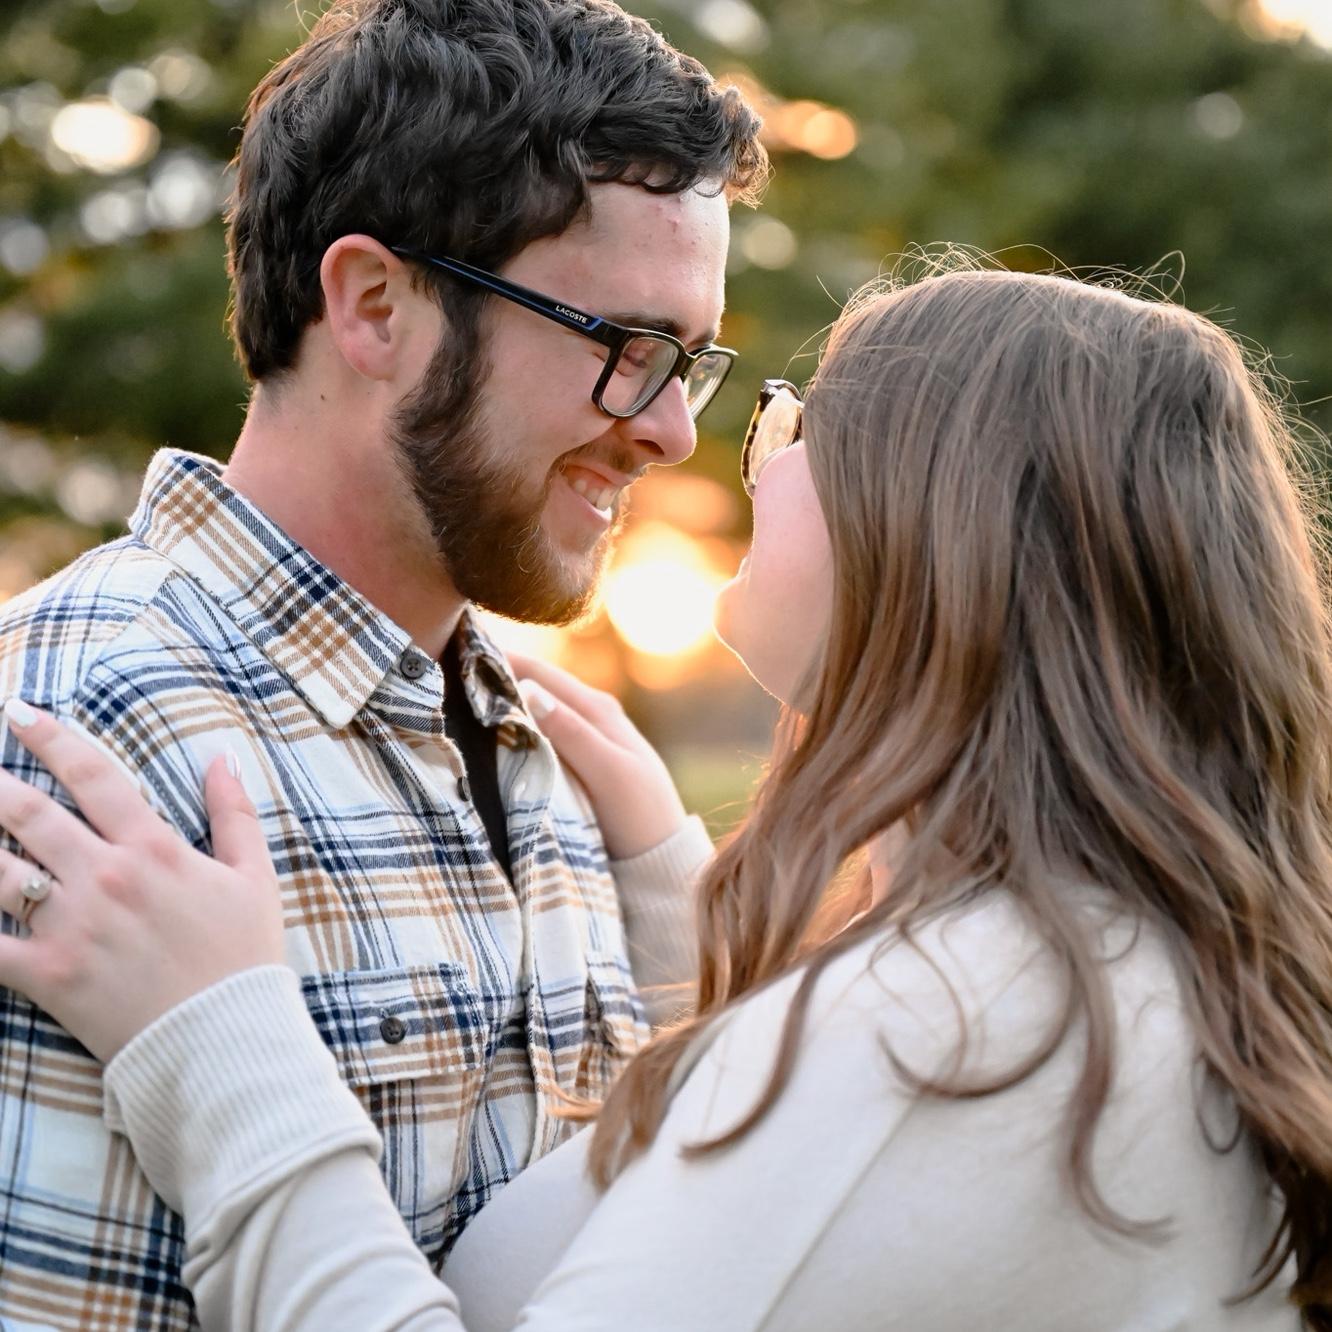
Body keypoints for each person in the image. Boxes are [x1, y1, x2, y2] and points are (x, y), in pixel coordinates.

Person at [4, 258, 1332, 1330]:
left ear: (943, 524)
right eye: (631, 349)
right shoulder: (1114, 970)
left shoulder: (956, 1030)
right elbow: (811, 1244)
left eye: (791, 423)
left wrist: (223, 1054)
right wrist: (671, 909)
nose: (706, 445)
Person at [0, 1, 766, 1325]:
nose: (671, 435)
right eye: (625, 351)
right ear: (373, 307)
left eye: (687, 364)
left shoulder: (563, 765)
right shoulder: (76, 740)